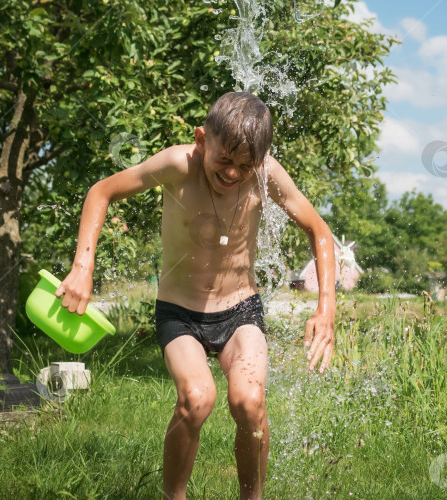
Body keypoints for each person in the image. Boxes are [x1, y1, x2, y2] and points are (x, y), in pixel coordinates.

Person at [54, 91, 336, 500]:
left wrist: (325, 306)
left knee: (250, 401)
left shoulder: (265, 173)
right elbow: (102, 191)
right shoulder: (176, 164)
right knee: (197, 398)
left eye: (246, 165)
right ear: (202, 139)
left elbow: (319, 230)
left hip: (240, 309)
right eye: (224, 159)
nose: (234, 174)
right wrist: (83, 267)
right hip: (179, 313)